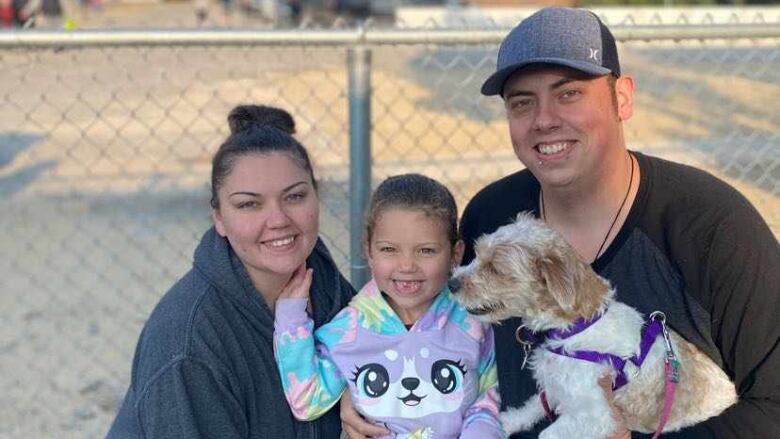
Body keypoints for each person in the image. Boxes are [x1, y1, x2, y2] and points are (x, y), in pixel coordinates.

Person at [456, 7, 778, 439]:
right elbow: (425, 319)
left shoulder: (712, 226)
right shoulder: (490, 216)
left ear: (622, 97)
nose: (544, 119)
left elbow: (773, 407)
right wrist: (348, 388)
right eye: (521, 102)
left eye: (568, 93)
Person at [106, 104, 356, 438]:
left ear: (316, 195)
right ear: (219, 218)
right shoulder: (189, 345)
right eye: (249, 204)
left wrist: (357, 394)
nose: (279, 220)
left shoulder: (321, 280)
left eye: (294, 196)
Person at [274, 173, 504, 438]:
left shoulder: (473, 320)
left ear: (456, 253)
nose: (406, 266)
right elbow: (307, 401)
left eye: (426, 250)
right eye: (389, 250)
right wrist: (291, 317)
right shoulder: (349, 330)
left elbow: (491, 393)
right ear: (368, 251)